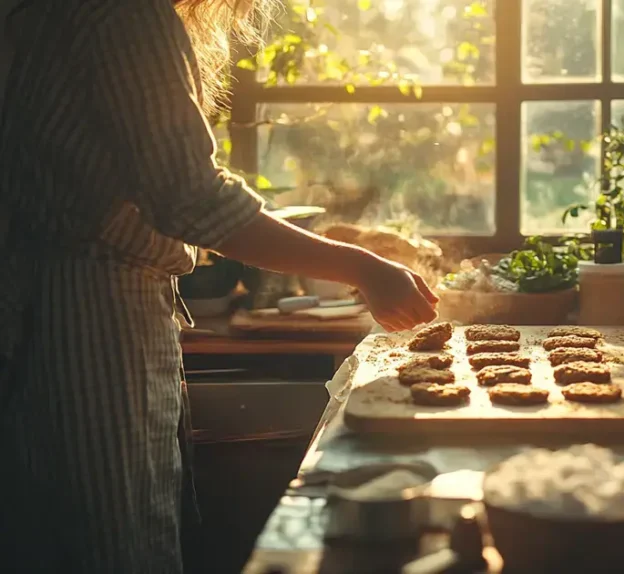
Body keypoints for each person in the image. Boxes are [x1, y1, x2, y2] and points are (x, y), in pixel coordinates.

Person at [0, 0, 438, 572]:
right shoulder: (124, 15)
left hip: (69, 299)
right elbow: (192, 197)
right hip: (88, 314)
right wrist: (363, 267)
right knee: (115, 539)